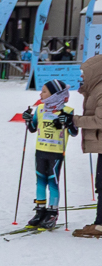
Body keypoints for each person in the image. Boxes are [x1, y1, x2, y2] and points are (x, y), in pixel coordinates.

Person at [21, 80, 78, 230]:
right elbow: (33, 128)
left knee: (53, 181)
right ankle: (40, 211)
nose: (41, 94)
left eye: (44, 91)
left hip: (56, 152)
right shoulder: (40, 109)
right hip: (40, 151)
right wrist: (28, 119)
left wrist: (68, 122)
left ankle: (52, 212)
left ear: (54, 95)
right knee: (40, 180)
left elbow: (74, 132)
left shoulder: (67, 110)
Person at [73, 55, 102, 237]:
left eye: (84, 73)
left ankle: (100, 225)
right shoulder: (96, 89)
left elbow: (100, 119)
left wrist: (75, 120)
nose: (82, 76)